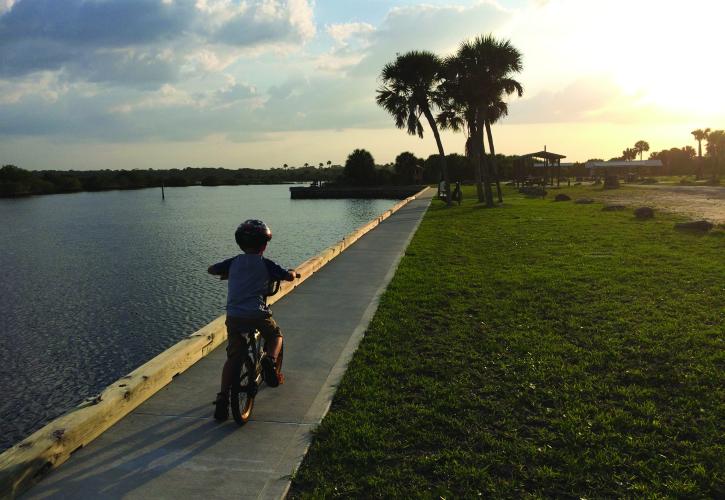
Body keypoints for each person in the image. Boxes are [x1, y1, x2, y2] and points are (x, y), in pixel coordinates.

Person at [207, 219, 296, 421]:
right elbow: (288, 276)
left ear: (240, 244)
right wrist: (292, 273)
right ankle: (270, 361)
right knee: (275, 336)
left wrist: (226, 272)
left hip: (235, 316)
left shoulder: (234, 262)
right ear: (264, 245)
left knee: (233, 357)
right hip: (257, 313)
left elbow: (212, 269)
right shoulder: (266, 264)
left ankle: (222, 399)